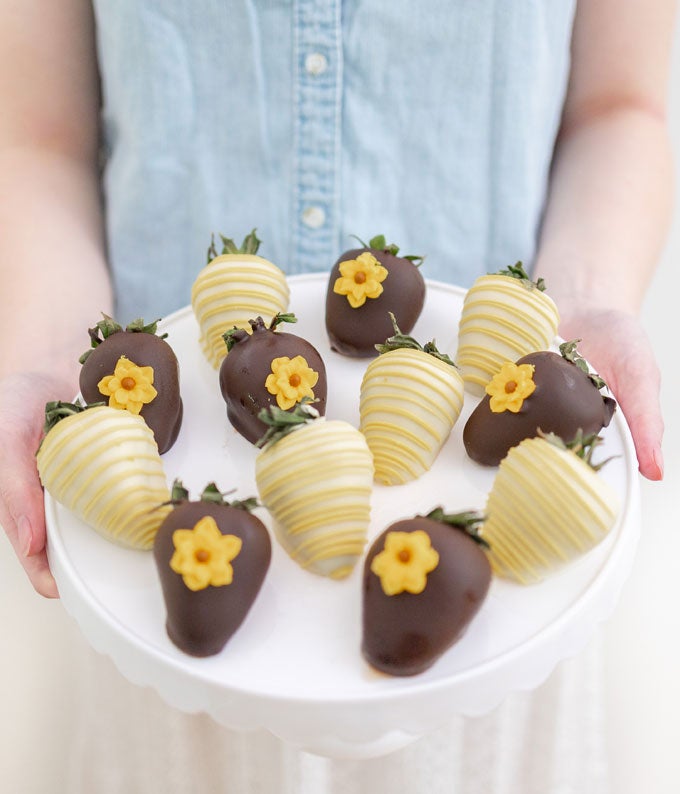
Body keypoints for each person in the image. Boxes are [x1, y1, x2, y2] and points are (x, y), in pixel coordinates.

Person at [0, 0, 675, 791]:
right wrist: (52, 347)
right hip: (164, 549)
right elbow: (37, 136)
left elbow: (618, 107)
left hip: (491, 590)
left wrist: (584, 305)